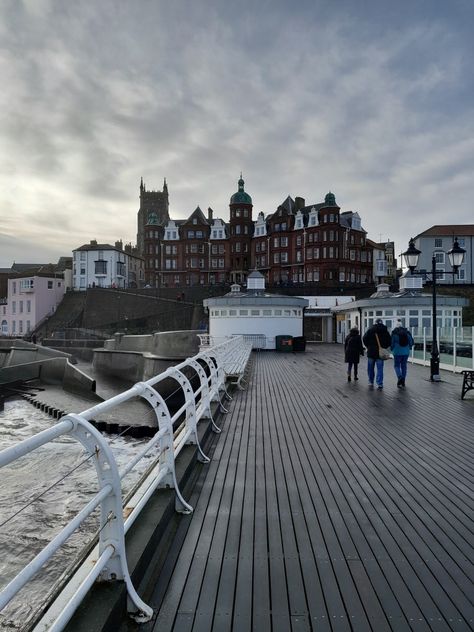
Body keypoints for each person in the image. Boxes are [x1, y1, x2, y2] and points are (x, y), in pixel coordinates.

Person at [362, 318, 391, 390]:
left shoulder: (370, 330)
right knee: (380, 369)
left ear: (375, 323)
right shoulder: (385, 331)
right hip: (380, 353)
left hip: (371, 352)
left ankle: (370, 381)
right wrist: (384, 347)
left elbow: (364, 338)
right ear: (381, 322)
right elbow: (389, 341)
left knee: (370, 368)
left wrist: (368, 346)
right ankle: (379, 383)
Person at [391, 319, 414, 388]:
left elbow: (392, 343)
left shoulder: (394, 333)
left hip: (397, 352)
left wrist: (392, 349)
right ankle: (403, 380)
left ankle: (400, 377)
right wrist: (408, 348)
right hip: (406, 352)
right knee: (404, 366)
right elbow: (411, 342)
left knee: (396, 366)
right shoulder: (407, 332)